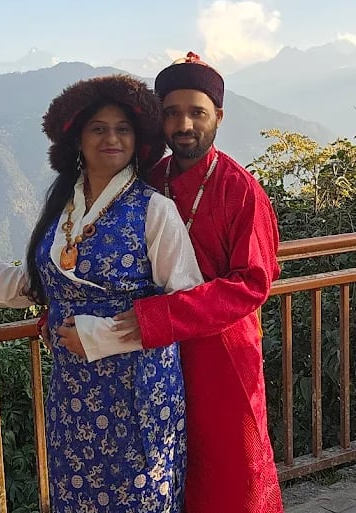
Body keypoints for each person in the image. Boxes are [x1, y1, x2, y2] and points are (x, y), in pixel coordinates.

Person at [0, 74, 203, 513]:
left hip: (139, 389)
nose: (111, 138)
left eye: (122, 128)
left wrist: (100, 335)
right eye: (98, 128)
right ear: (78, 139)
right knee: (76, 492)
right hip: (74, 392)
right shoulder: (61, 210)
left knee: (139, 495)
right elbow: (27, 286)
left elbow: (186, 302)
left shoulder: (155, 210)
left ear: (138, 139)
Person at [60, 53, 284, 512]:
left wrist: (160, 317)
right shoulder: (149, 180)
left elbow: (253, 283)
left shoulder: (240, 190)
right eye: (172, 113)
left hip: (220, 354)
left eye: (197, 113)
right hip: (152, 357)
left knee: (230, 472)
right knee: (165, 469)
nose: (184, 125)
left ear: (218, 116)